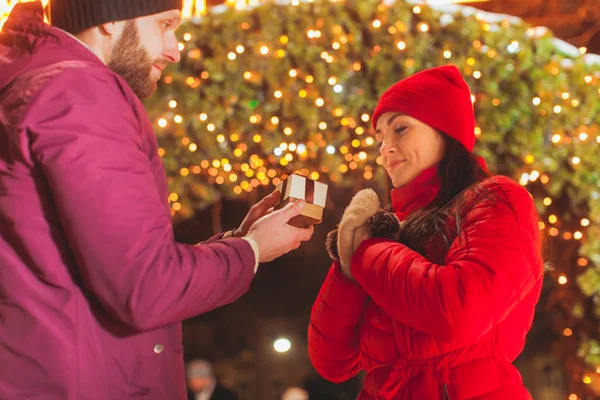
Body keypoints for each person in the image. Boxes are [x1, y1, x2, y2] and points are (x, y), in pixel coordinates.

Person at [0, 1, 313, 399]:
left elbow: (104, 269)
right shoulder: (79, 91)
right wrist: (250, 251)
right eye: (165, 24)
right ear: (110, 18)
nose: (175, 48)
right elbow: (146, 288)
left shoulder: (34, 81)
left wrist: (238, 239)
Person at [308, 65, 544, 399]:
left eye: (400, 129)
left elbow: (462, 311)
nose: (385, 148)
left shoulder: (498, 199)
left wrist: (369, 250)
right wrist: (346, 269)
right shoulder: (387, 232)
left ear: (445, 132)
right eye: (379, 138)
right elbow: (332, 362)